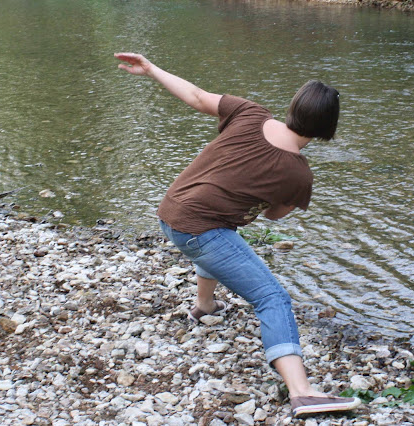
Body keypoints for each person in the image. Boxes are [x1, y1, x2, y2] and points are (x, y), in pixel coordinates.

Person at [115, 52, 361, 417]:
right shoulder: (299, 174)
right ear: (328, 127)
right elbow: (273, 215)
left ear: (293, 107)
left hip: (171, 212)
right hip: (199, 230)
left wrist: (150, 69)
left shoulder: (250, 113)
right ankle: (302, 392)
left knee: (223, 239)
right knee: (272, 298)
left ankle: (204, 306)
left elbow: (196, 96)